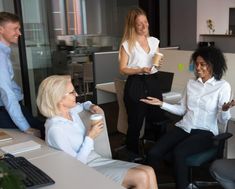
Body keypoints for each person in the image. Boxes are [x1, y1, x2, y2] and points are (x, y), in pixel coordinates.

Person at [36, 75, 158, 189]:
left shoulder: (70, 111)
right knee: (141, 176)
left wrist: (91, 106)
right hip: (83, 170)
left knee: (149, 171)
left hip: (96, 159)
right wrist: (90, 137)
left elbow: (83, 104)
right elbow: (75, 166)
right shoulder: (56, 129)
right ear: (58, 99)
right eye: (72, 92)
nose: (77, 94)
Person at [140, 46, 235, 189]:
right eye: (196, 64)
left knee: (179, 152)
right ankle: (148, 185)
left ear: (213, 65)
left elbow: (222, 120)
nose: (198, 67)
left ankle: (183, 186)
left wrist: (225, 109)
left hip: (205, 132)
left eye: (203, 64)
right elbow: (182, 110)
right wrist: (161, 104)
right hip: (184, 127)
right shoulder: (191, 84)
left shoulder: (222, 86)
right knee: (154, 152)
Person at [119, 7, 165, 158]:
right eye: (140, 24)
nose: (145, 26)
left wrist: (158, 64)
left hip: (152, 81)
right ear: (133, 26)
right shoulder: (127, 44)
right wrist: (140, 69)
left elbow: (156, 63)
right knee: (136, 122)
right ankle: (133, 154)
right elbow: (123, 69)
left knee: (158, 117)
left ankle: (159, 152)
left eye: (146, 22)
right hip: (136, 84)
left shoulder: (154, 41)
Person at [0, 12, 44, 138]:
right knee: (42, 131)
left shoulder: (4, 52)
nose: (19, 33)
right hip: (5, 111)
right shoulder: (1, 56)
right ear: (1, 29)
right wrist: (26, 127)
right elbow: (7, 94)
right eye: (15, 29)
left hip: (7, 109)